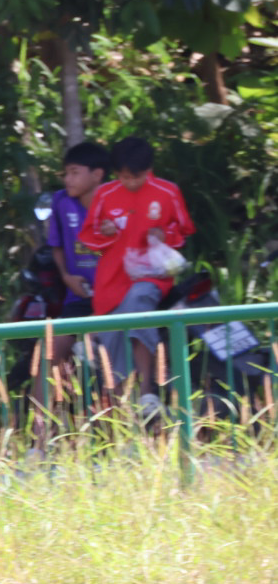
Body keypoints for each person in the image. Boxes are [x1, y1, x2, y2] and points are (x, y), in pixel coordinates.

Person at [77, 137, 197, 417]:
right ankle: (124, 413)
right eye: (124, 177)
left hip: (151, 276)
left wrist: (164, 234)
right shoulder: (104, 194)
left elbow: (184, 230)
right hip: (112, 279)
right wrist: (104, 232)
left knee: (137, 304)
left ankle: (147, 390)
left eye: (136, 177)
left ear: (148, 170)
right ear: (115, 173)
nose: (130, 182)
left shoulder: (167, 192)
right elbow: (88, 236)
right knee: (113, 336)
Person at [32, 141, 110, 417]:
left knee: (110, 356)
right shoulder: (61, 202)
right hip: (78, 297)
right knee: (51, 349)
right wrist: (66, 276)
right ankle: (39, 431)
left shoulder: (117, 201)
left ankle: (120, 428)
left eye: (75, 172)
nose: (68, 179)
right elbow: (56, 246)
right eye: (66, 173)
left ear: (97, 174)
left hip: (114, 300)